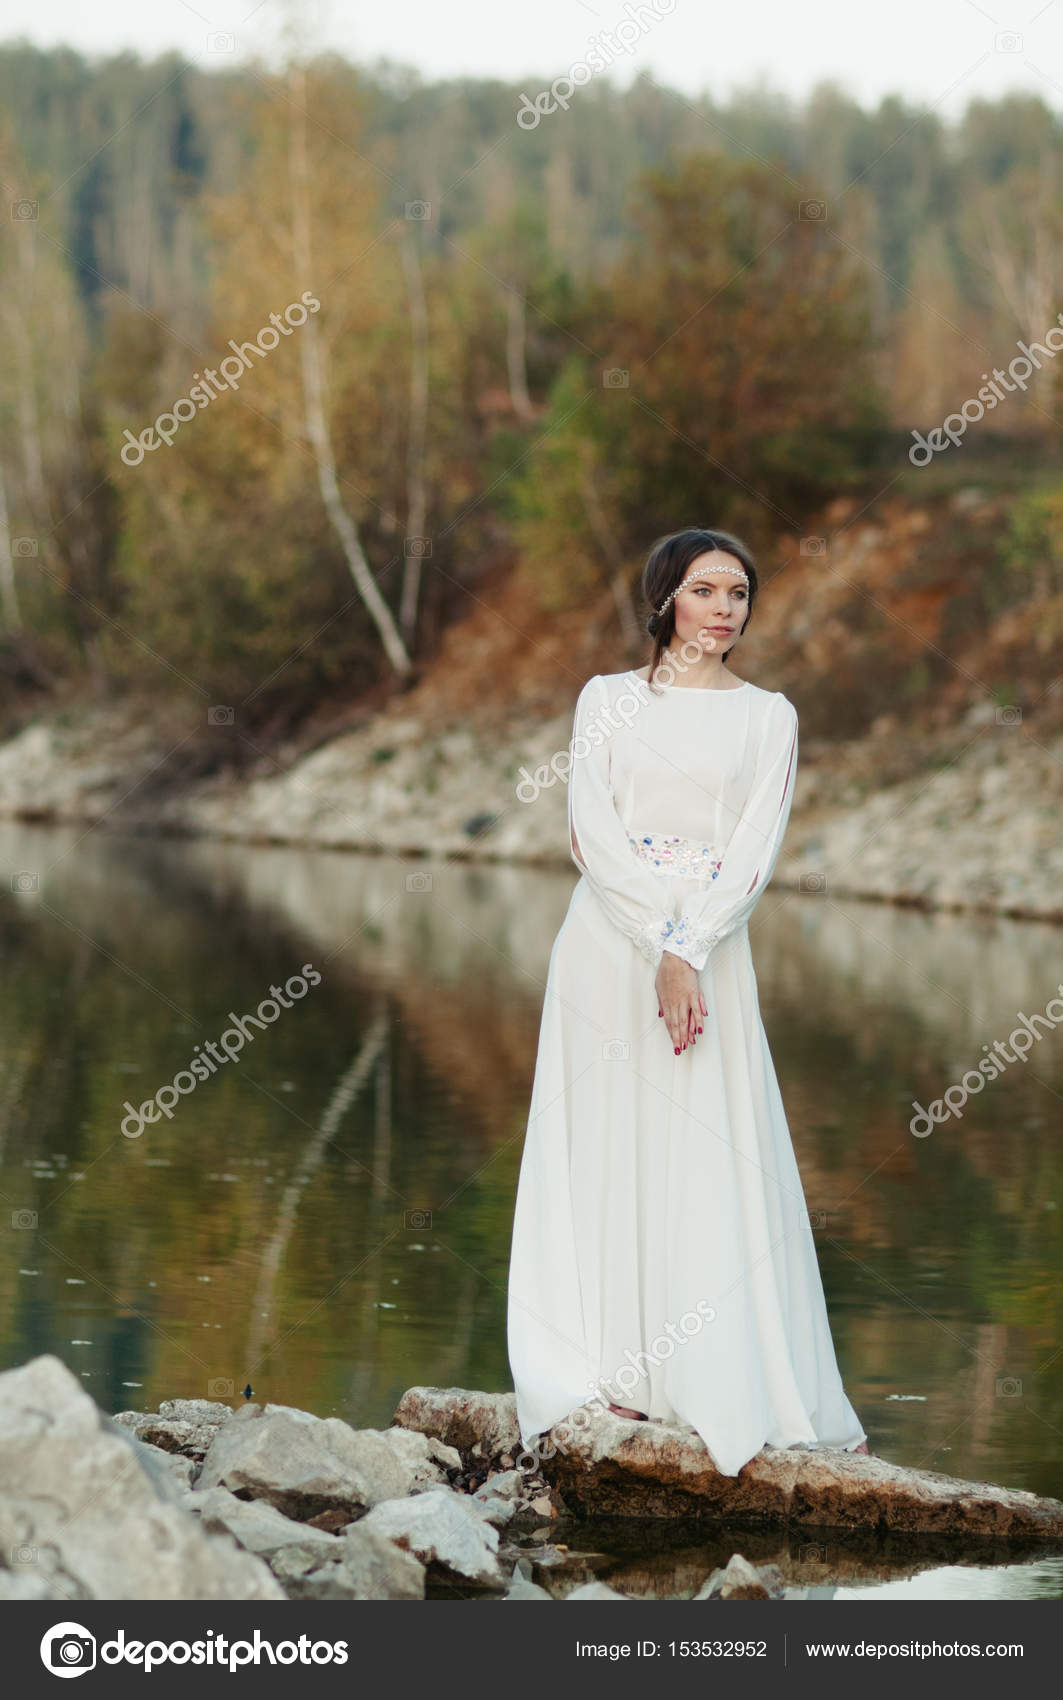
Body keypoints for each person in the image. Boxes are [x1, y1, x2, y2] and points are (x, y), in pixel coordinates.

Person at [506, 526, 869, 1478]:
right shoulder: (606, 701)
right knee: (606, 1138)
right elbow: (589, 834)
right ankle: (607, 1365)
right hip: (604, 945)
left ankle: (709, 1371)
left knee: (706, 1141)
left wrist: (687, 949)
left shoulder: (768, 717)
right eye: (705, 589)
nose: (723, 609)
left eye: (738, 594)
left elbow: (755, 850)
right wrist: (656, 941)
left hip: (712, 946)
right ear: (665, 597)